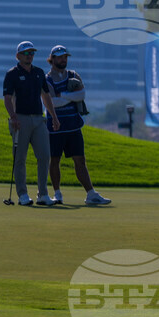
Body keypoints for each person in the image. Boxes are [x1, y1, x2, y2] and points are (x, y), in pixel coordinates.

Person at [45, 45, 111, 206]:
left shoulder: (74, 75)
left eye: (65, 57)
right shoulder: (47, 80)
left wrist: (65, 95)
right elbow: (52, 102)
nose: (63, 59)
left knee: (80, 161)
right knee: (54, 161)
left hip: (74, 126)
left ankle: (91, 194)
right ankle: (57, 194)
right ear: (52, 59)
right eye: (60, 57)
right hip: (55, 127)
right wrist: (71, 97)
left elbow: (82, 94)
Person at [3, 41, 59, 206]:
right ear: (18, 56)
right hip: (20, 119)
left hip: (38, 119)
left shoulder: (39, 73)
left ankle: (43, 194)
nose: (29, 56)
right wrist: (13, 117)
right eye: (26, 53)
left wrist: (54, 117)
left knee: (44, 156)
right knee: (20, 158)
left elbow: (46, 96)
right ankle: (22, 194)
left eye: (32, 53)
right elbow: (7, 98)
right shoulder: (12, 74)